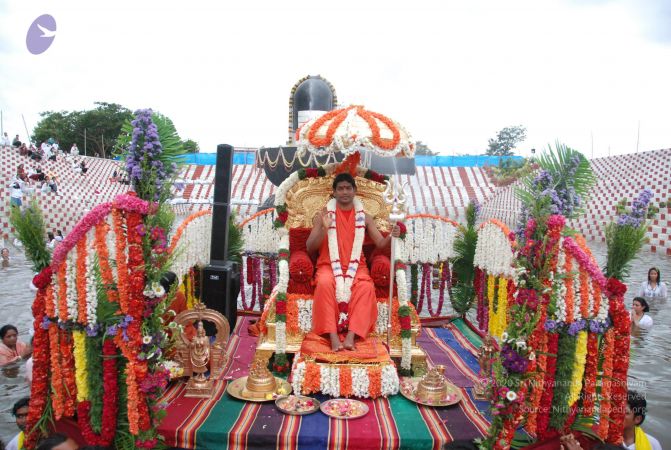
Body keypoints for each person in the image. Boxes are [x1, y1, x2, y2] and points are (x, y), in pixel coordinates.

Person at [306, 172, 400, 351]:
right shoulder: (324, 215)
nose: (344, 192)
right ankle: (333, 337)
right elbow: (310, 247)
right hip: (328, 266)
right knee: (324, 283)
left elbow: (380, 244)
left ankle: (350, 337)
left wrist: (392, 236)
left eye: (348, 188)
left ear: (355, 190)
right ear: (334, 192)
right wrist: (324, 228)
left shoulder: (365, 217)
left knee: (366, 287)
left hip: (357, 267)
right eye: (340, 188)